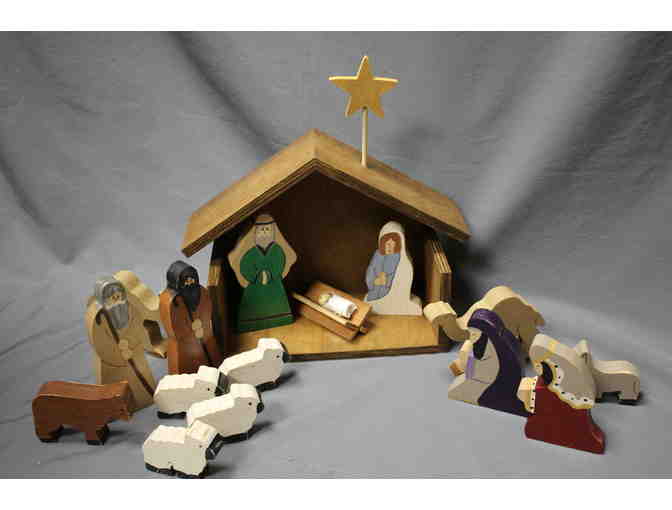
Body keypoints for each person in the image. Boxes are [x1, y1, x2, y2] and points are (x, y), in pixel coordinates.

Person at [85, 276, 157, 410]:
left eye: (118, 293)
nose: (116, 298)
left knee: (143, 388)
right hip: (113, 363)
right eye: (111, 296)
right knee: (118, 395)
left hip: (135, 353)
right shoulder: (98, 319)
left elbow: (138, 326)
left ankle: (147, 398)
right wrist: (119, 355)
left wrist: (130, 342)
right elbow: (100, 345)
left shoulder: (131, 308)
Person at [228, 214, 297, 333]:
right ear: (255, 232)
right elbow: (245, 266)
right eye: (262, 230)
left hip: (274, 286)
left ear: (273, 231)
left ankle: (279, 318)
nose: (265, 232)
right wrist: (256, 275)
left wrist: (271, 274)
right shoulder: (251, 252)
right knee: (252, 308)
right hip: (254, 287)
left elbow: (280, 262)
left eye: (267, 229)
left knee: (277, 306)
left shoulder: (277, 249)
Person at [160, 261, 223, 375]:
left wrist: (202, 324)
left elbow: (207, 311)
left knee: (215, 367)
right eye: (186, 281)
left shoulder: (202, 292)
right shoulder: (171, 302)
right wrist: (190, 328)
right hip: (184, 351)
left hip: (206, 341)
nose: (190, 283)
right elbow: (174, 331)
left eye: (192, 279)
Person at [364, 221, 422, 315]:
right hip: (379, 293)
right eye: (387, 243)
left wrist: (389, 281)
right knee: (372, 302)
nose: (389, 247)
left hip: (398, 296)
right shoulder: (378, 258)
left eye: (393, 244)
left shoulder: (404, 261)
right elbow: (370, 276)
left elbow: (405, 283)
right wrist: (376, 281)